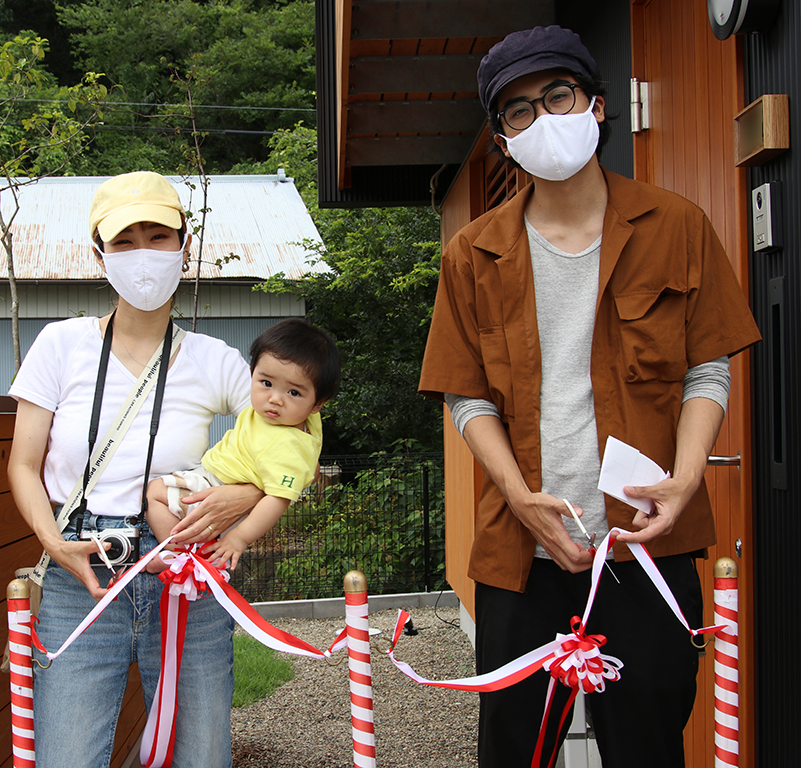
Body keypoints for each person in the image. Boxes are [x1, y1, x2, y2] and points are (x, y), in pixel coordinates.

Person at [418, 26, 761, 768]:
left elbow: (708, 367)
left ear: (598, 106)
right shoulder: (471, 253)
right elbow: (466, 396)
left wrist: (688, 476)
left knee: (648, 744)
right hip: (522, 555)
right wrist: (517, 496)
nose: (542, 119)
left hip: (646, 547)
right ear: (502, 140)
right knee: (516, 751)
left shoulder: (677, 227)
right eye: (517, 111)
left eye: (558, 96)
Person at [7, 171, 263, 768]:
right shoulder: (59, 345)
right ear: (98, 253)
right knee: (68, 757)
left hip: (185, 571)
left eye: (158, 236)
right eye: (124, 240)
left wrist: (240, 499)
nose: (143, 254)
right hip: (80, 569)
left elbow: (295, 435)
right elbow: (22, 464)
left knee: (201, 756)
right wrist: (52, 541)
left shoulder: (213, 360)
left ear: (184, 247)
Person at [146, 318, 340, 570]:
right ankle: (188, 550)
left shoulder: (288, 444)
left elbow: (278, 499)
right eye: (266, 383)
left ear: (317, 404)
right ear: (252, 374)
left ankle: (176, 553)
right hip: (219, 480)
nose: (274, 399)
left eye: (293, 392)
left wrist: (239, 537)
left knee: (154, 492)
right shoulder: (303, 418)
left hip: (217, 486)